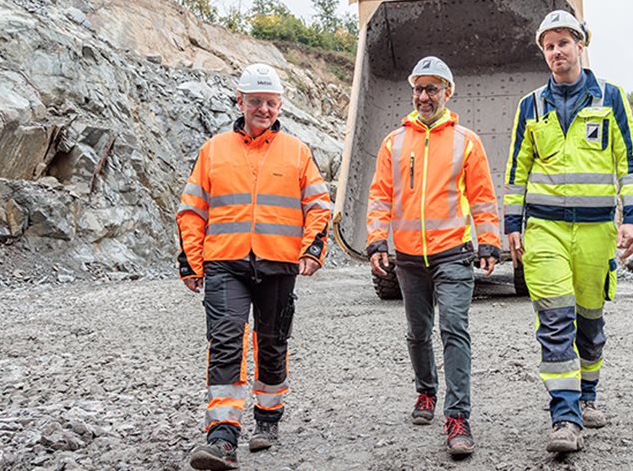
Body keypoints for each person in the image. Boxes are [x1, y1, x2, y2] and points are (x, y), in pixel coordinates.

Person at [503, 11, 633, 453]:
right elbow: (517, 170)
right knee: (554, 319)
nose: (556, 52)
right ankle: (564, 418)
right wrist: (512, 224)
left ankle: (587, 395)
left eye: (563, 42)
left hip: (595, 231)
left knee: (589, 322)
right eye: (548, 46)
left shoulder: (611, 98)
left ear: (580, 46)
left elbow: (629, 162)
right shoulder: (531, 106)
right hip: (544, 229)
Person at [176, 63, 332, 470]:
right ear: (240, 101)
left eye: (270, 103)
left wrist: (312, 249)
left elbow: (319, 205)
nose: (263, 109)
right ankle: (222, 436)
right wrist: (192, 261)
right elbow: (191, 209)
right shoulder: (214, 150)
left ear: (280, 105)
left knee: (272, 341)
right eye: (256, 101)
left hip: (278, 262)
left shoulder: (297, 151)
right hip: (224, 262)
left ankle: (267, 418)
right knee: (226, 340)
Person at [366, 56, 500, 457]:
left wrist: (489, 241)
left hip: (453, 254)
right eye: (418, 89)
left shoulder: (466, 141)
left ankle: (457, 417)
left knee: (454, 329)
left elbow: (482, 196)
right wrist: (377, 241)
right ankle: (426, 390)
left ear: (448, 92)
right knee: (417, 332)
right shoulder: (394, 142)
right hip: (408, 258)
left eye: (432, 89)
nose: (424, 96)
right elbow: (380, 196)